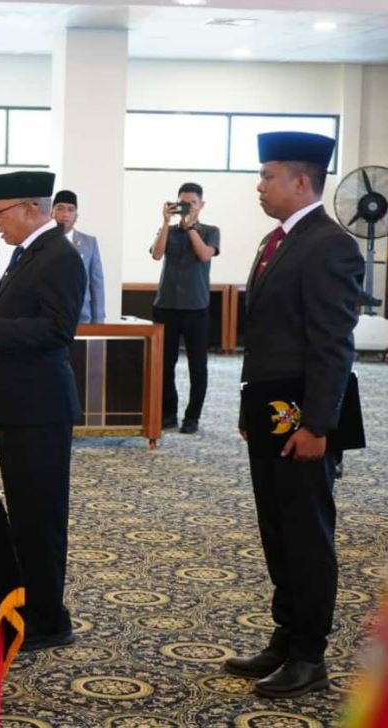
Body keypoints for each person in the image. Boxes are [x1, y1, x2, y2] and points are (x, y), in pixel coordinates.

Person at [224, 131, 363, 698]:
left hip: (304, 417)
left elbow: (333, 343)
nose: (259, 186)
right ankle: (285, 636)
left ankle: (310, 654)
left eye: (267, 176)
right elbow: (264, 336)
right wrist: (249, 408)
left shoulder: (330, 245)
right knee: (277, 528)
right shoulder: (275, 240)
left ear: (301, 180)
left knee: (306, 533)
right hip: (269, 410)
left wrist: (317, 425)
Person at [0, 171, 86, 651]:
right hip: (18, 402)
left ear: (31, 208)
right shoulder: (28, 253)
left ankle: (50, 620)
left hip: (41, 406)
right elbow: (15, 318)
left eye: (0, 212)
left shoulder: (60, 256)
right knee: (26, 514)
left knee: (41, 516)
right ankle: (31, 605)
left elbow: (58, 329)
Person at [150, 182, 220, 434]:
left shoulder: (210, 231)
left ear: (201, 205)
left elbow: (204, 254)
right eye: (183, 202)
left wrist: (190, 227)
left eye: (192, 203)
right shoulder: (167, 230)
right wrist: (166, 223)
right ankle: (168, 414)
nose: (187, 207)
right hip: (166, 306)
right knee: (164, 364)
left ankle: (192, 417)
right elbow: (157, 254)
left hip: (196, 307)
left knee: (197, 366)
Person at [53, 190, 105, 324]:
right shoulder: (41, 242)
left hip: (82, 317)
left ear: (76, 216)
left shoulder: (89, 243)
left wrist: (98, 321)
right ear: (51, 213)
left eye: (70, 210)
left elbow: (96, 284)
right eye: (60, 209)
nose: (65, 214)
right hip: (48, 318)